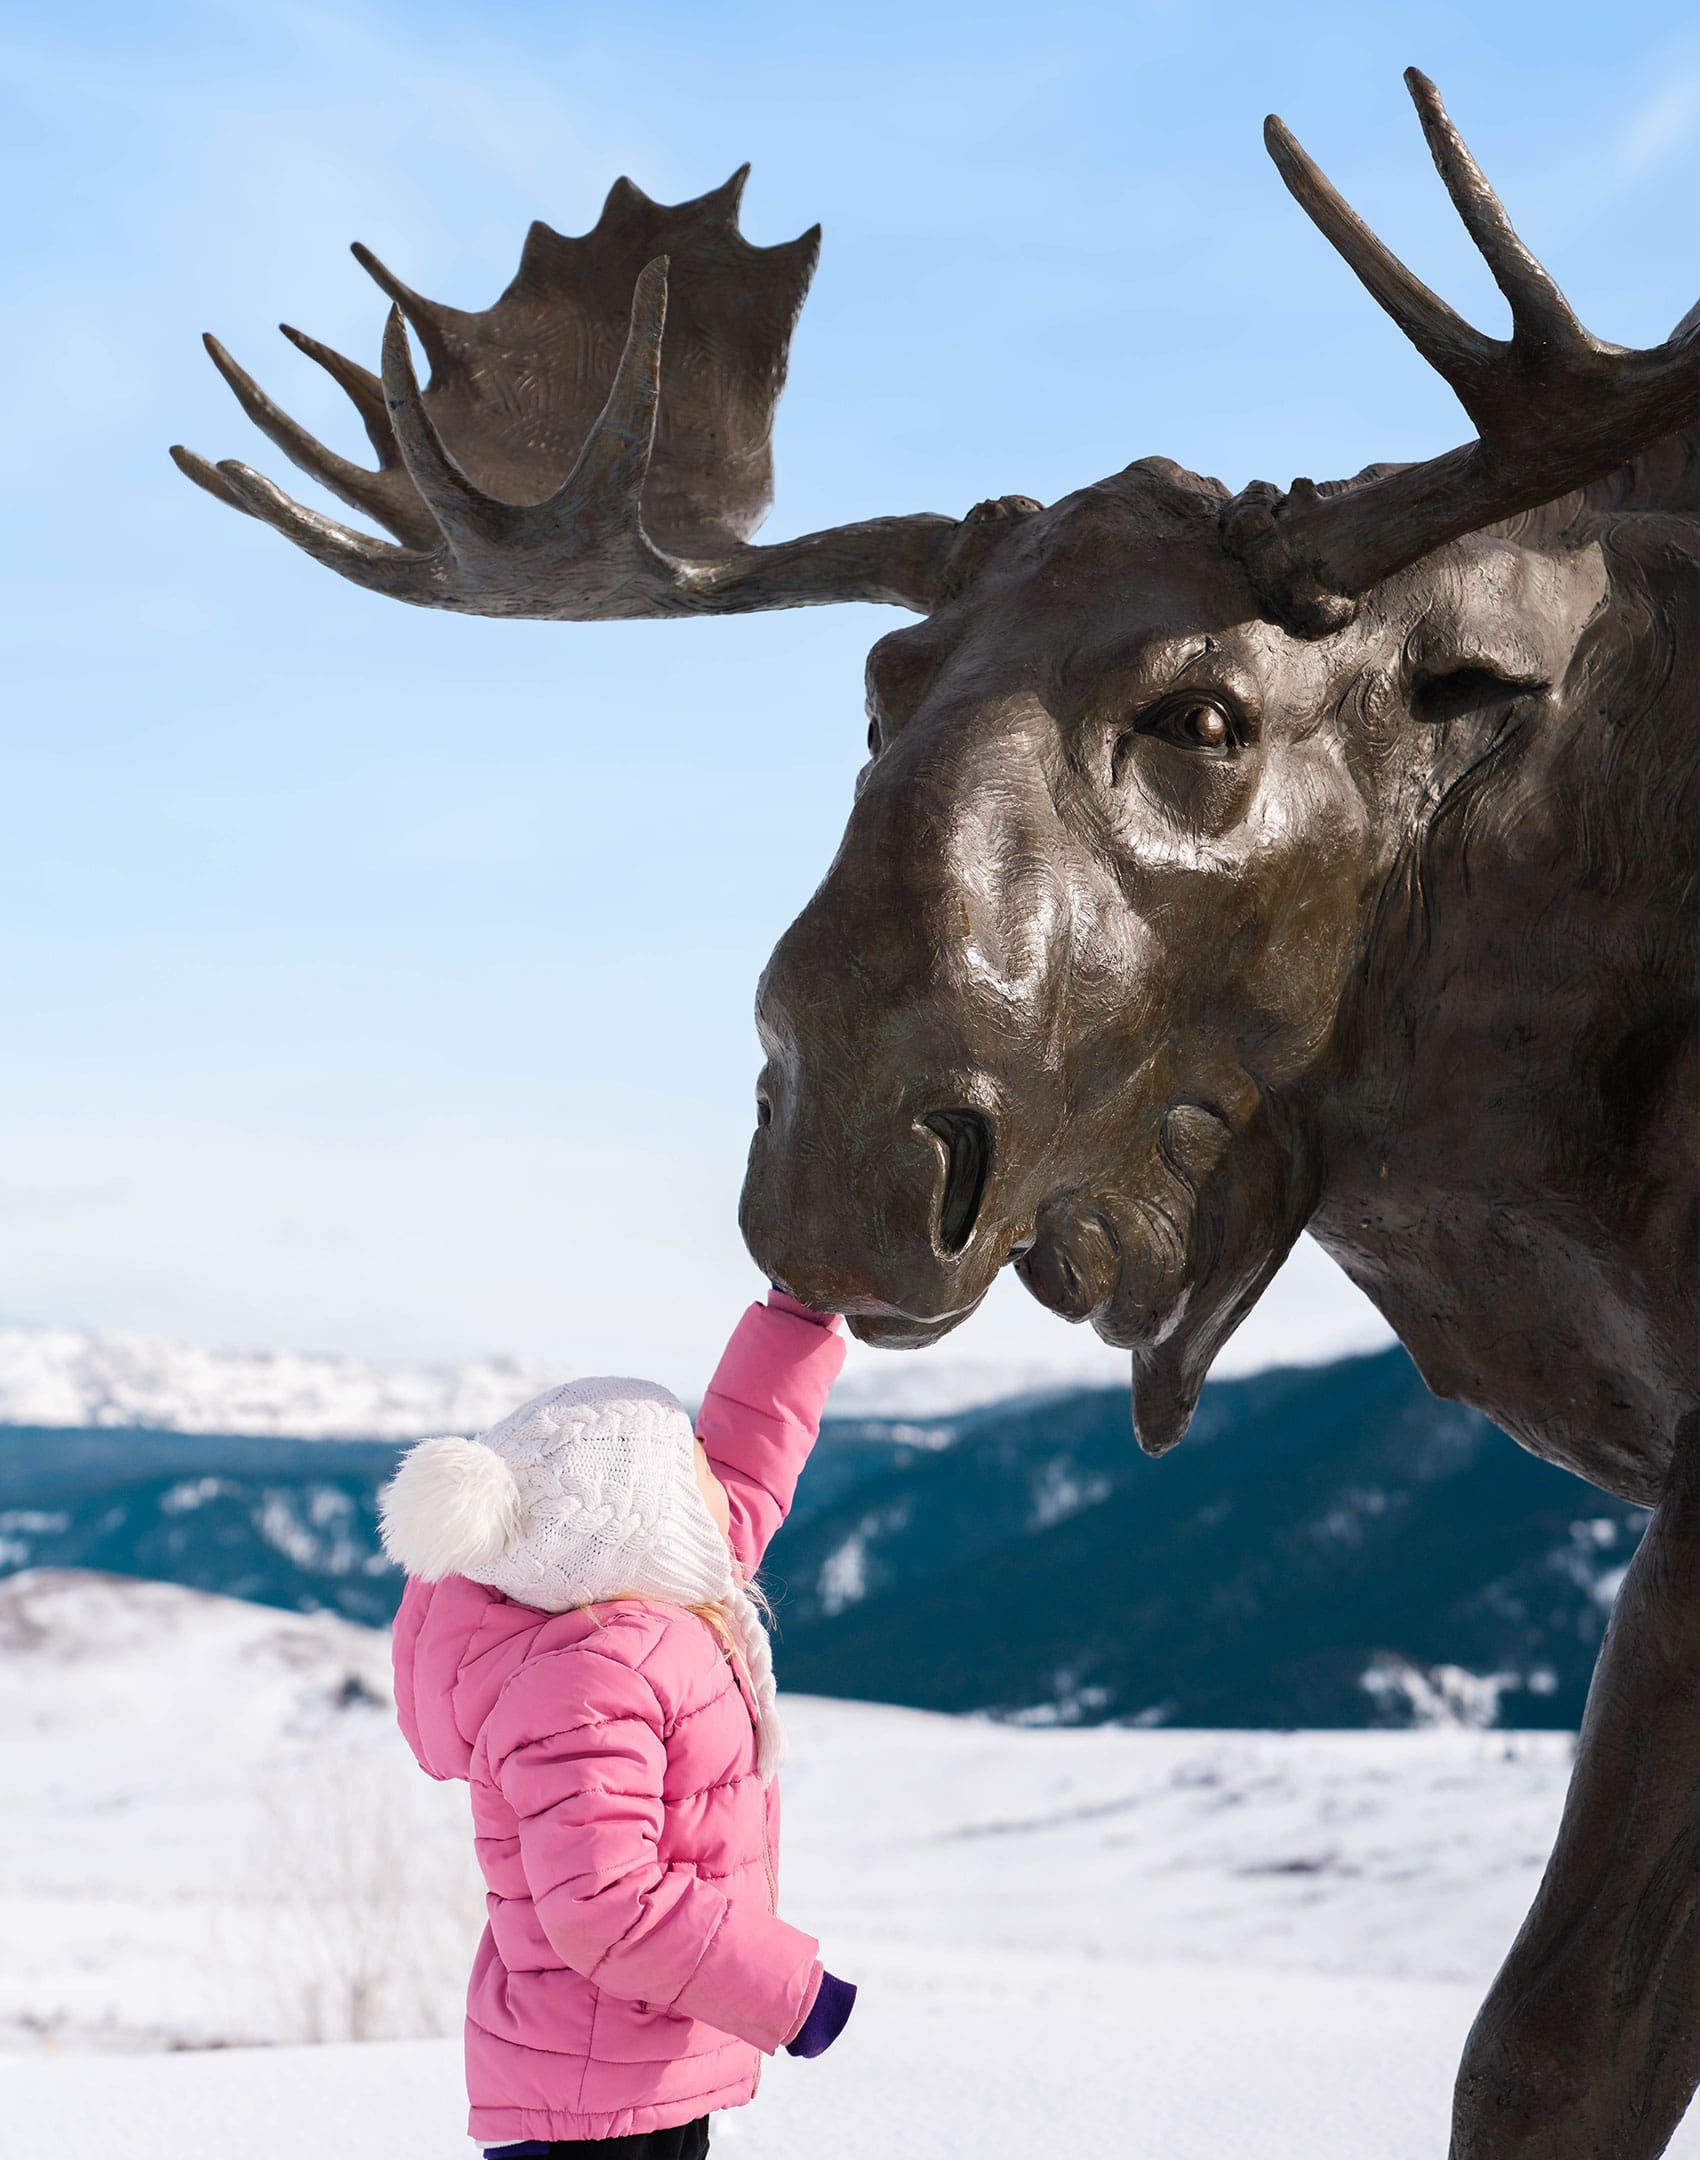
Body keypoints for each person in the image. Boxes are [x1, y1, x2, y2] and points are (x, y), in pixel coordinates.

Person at [379, 1288, 857, 2158]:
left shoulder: (635, 1591)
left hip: (636, 2067)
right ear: (645, 1528)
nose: (718, 1480)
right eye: (693, 1473)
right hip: (589, 2107)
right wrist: (787, 1991)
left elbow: (750, 1465)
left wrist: (803, 1309)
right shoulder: (583, 1684)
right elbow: (605, 1902)